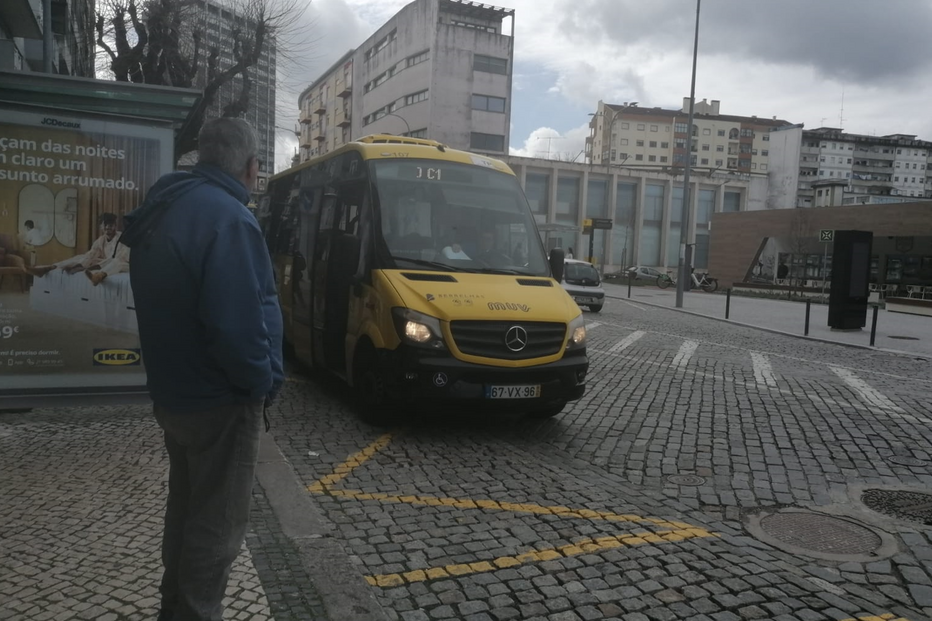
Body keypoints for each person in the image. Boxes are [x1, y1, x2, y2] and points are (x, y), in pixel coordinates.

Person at [120, 117, 283, 621]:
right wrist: (261, 384)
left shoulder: (169, 206)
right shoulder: (228, 218)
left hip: (176, 393)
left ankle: (176, 608)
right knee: (217, 526)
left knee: (187, 511)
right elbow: (236, 324)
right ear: (252, 168)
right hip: (220, 400)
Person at [26, 213, 130, 285]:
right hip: (107, 262)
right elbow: (91, 254)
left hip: (125, 264)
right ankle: (49, 268)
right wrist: (78, 265)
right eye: (105, 226)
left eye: (111, 226)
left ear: (115, 226)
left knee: (116, 261)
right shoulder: (101, 240)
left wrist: (88, 268)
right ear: (102, 227)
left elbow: (119, 258)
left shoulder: (122, 238)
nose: (108, 228)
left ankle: (97, 277)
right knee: (82, 256)